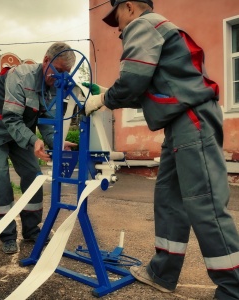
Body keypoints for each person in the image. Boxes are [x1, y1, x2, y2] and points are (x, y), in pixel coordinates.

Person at [84, 1, 239, 299]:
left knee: (204, 204)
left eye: (115, 16)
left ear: (128, 7)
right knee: (168, 199)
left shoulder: (142, 25)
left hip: (191, 120)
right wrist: (108, 95)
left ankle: (233, 288)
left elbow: (132, 83)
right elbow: (147, 89)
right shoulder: (159, 30)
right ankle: (162, 273)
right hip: (179, 123)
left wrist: (107, 98)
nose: (117, 27)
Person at [0, 42, 77, 254]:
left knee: (33, 174)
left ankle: (32, 231)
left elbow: (46, 121)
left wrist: (56, 143)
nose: (60, 77)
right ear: (46, 60)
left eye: (66, 73)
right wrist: (34, 141)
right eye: (58, 71)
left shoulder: (54, 87)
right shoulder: (20, 76)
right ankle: (6, 235)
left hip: (21, 131)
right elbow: (12, 118)